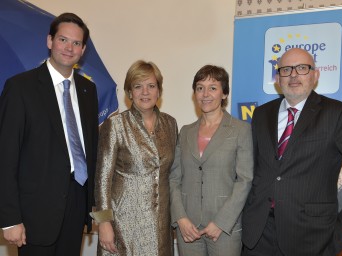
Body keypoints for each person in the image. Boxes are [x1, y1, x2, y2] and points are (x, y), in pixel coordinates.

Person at [242, 47, 342, 256]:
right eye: (286, 69)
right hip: (259, 235)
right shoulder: (261, 114)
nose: (293, 75)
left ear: (315, 75)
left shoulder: (338, 114)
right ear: (278, 78)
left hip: (312, 237)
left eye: (302, 68)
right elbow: (254, 170)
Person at [0, 13, 99, 256]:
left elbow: (90, 151)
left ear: (83, 49)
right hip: (34, 213)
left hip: (76, 206)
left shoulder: (88, 90)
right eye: (63, 40)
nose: (69, 48)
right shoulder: (20, 87)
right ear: (49, 41)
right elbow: (5, 156)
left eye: (76, 43)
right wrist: (10, 218)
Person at [91, 60, 178, 256]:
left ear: (159, 91)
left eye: (151, 86)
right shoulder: (115, 125)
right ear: (130, 93)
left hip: (160, 224)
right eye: (138, 86)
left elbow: (172, 176)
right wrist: (104, 222)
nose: (145, 92)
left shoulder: (170, 124)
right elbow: (102, 179)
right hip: (123, 224)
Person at [169, 65, 253, 256]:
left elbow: (245, 180)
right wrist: (180, 218)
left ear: (224, 94)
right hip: (188, 229)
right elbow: (174, 179)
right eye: (200, 88)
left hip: (224, 229)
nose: (205, 94)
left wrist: (221, 222)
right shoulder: (185, 132)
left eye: (213, 88)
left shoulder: (241, 130)